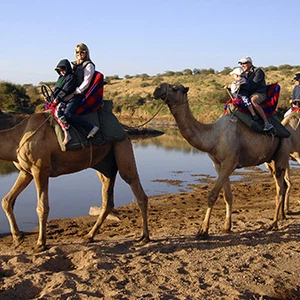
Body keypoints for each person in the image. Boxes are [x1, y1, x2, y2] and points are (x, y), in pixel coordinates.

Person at [64, 43, 99, 139]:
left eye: (82, 52)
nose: (79, 54)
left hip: (80, 94)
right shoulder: (75, 65)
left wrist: (74, 93)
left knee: (67, 113)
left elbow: (86, 83)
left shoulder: (88, 65)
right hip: (72, 92)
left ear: (86, 52)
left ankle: (91, 127)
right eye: (77, 52)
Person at [238, 56, 274, 131]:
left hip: (259, 93)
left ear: (250, 63)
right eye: (241, 64)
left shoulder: (258, 71)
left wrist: (242, 85)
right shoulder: (243, 73)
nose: (242, 65)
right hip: (247, 94)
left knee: (253, 101)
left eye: (244, 63)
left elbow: (254, 85)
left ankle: (266, 123)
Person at [48, 59, 77, 145]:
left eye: (63, 69)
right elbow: (56, 90)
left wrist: (58, 99)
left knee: (58, 112)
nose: (62, 72)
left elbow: (66, 90)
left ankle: (67, 133)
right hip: (57, 99)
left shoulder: (71, 77)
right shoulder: (60, 78)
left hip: (66, 100)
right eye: (60, 70)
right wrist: (50, 98)